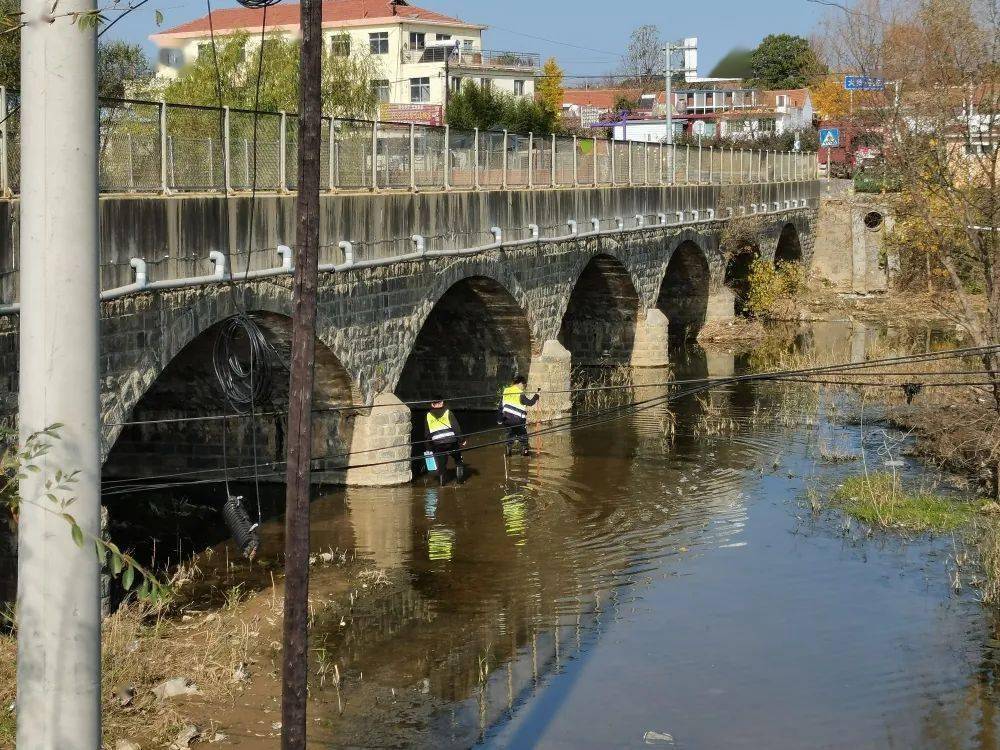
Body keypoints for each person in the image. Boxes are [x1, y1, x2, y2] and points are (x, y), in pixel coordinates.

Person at [425, 396, 467, 485]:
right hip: (451, 441)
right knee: (458, 459)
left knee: (441, 464)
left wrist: (429, 448)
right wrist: (462, 440)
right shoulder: (448, 412)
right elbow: (456, 428)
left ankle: (442, 485)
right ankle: (460, 482)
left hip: (437, 443)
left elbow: (427, 434)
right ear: (442, 403)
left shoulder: (428, 416)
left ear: (432, 404)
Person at [498, 375, 540, 456]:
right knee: (523, 437)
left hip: (506, 419)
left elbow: (500, 406)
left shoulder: (506, 391)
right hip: (518, 420)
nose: (523, 388)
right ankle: (525, 454)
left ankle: (508, 451)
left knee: (510, 435)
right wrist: (537, 395)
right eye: (524, 385)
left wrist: (499, 419)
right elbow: (530, 403)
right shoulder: (520, 393)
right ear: (520, 383)